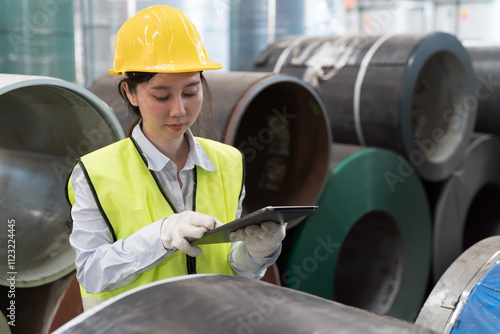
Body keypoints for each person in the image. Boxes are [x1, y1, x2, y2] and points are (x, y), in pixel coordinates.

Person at [66, 5, 286, 311]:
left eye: (191, 91)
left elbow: (234, 270)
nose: (179, 110)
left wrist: (256, 254)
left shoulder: (229, 162)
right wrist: (160, 236)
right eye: (161, 96)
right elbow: (91, 274)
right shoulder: (95, 173)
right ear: (130, 93)